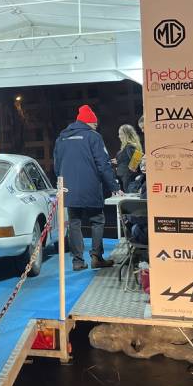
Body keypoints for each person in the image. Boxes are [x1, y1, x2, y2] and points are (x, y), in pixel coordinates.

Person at [54, 104, 123, 271]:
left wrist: (64, 181)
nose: (95, 127)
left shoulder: (61, 138)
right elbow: (103, 164)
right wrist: (114, 186)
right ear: (90, 122)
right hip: (90, 187)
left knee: (74, 223)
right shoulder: (93, 136)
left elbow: (57, 165)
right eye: (94, 124)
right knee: (97, 220)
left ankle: (77, 261)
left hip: (68, 188)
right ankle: (96, 257)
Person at [114, 124, 144, 193]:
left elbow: (136, 164)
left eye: (121, 134)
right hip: (124, 179)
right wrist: (119, 161)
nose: (119, 136)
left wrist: (130, 168)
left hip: (128, 179)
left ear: (126, 135)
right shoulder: (128, 147)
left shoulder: (129, 147)